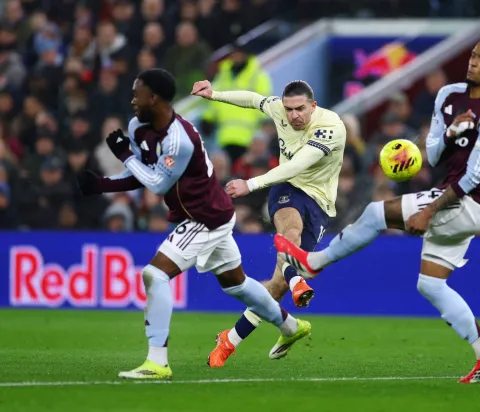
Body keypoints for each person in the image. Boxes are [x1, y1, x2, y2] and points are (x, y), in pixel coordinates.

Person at [275, 38, 480, 384]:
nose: (474, 63)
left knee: (374, 214)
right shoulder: (448, 95)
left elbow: (475, 175)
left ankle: (314, 263)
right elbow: (432, 155)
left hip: (466, 202)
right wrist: (450, 133)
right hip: (454, 199)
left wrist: (429, 211)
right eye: (473, 56)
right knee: (431, 285)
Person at [77, 68, 310, 380]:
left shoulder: (181, 139)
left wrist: (124, 156)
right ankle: (291, 326)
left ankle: (157, 362)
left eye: (138, 93)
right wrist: (103, 185)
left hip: (206, 217)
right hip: (209, 214)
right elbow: (143, 173)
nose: (133, 100)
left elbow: (158, 184)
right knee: (237, 284)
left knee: (155, 274)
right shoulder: (138, 126)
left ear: (155, 98)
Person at [191, 79, 346, 367]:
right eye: (289, 110)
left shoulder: (332, 127)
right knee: (291, 232)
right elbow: (253, 100)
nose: (294, 115)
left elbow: (298, 163)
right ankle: (296, 279)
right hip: (286, 187)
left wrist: (251, 184)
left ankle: (233, 338)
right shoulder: (280, 109)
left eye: (300, 109)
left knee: (275, 288)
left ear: (313, 105)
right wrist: (215, 94)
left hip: (320, 203)